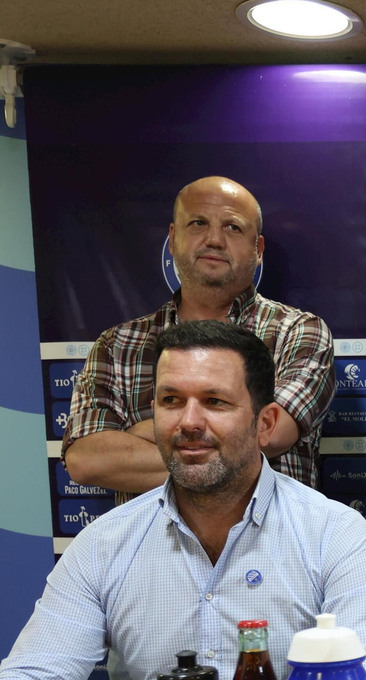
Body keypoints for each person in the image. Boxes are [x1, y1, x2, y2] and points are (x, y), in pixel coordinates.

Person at [0, 321, 366, 680]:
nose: (189, 421)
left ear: (265, 423)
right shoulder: (104, 544)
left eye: (215, 401)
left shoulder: (333, 533)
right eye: (171, 401)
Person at [64, 176, 335, 501]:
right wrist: (229, 449)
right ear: (174, 238)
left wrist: (140, 434)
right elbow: (85, 460)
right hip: (154, 550)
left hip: (276, 548)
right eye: (198, 223)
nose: (215, 240)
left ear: (258, 249)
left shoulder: (300, 332)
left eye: (233, 227)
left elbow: (272, 433)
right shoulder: (117, 345)